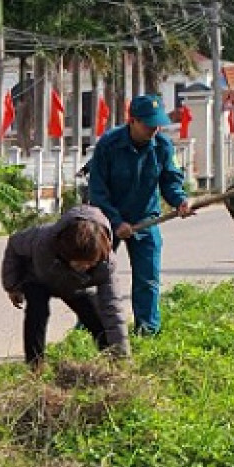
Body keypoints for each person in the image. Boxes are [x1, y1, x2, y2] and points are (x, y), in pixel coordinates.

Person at [86, 93, 194, 337]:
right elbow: (98, 192)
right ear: (132, 121)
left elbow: (170, 182)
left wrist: (180, 201)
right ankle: (89, 328)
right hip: (107, 222)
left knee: (148, 279)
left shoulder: (163, 146)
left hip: (146, 220)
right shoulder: (108, 145)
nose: (153, 129)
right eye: (148, 124)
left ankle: (147, 331)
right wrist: (116, 223)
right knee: (96, 275)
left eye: (157, 124)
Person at [0, 205, 129, 366]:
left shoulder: (106, 264)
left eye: (89, 264)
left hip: (75, 284)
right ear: (66, 251)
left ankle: (113, 360)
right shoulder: (42, 239)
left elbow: (113, 310)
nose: (84, 267)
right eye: (78, 263)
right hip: (38, 278)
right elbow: (14, 244)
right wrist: (12, 286)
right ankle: (35, 367)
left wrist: (123, 358)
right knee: (37, 312)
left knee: (95, 317)